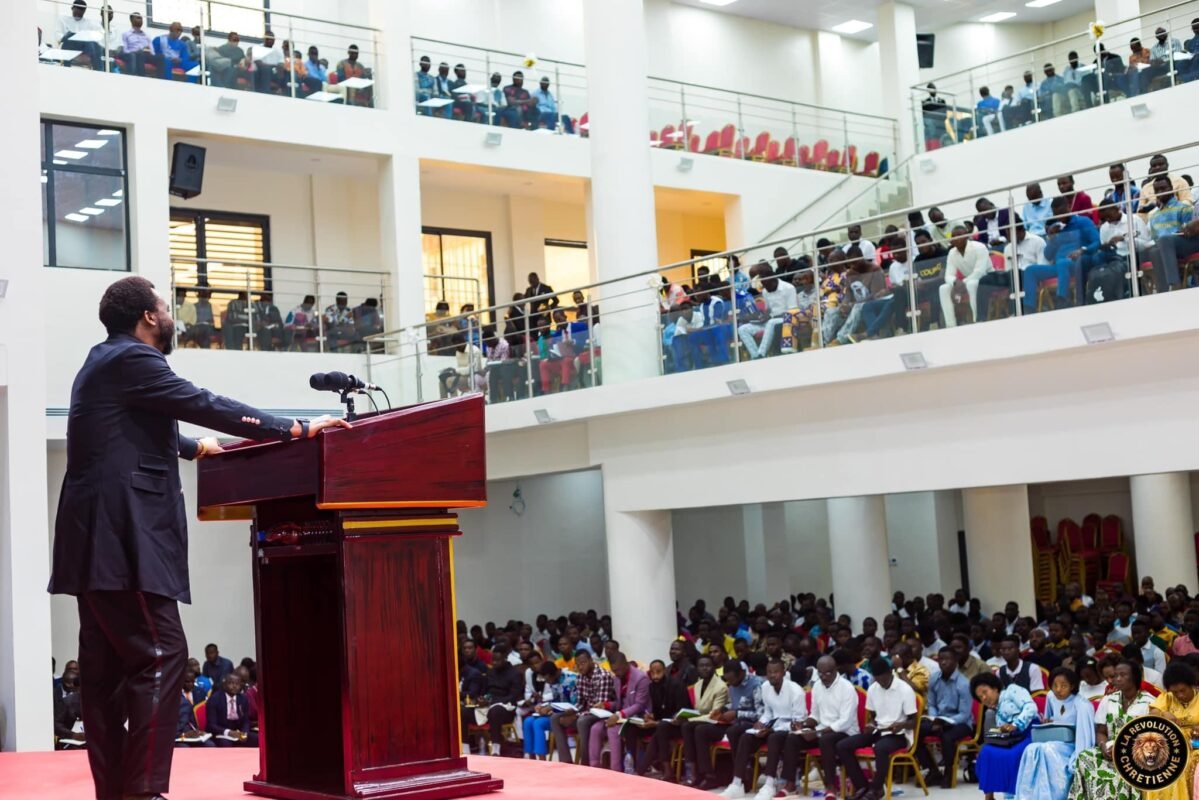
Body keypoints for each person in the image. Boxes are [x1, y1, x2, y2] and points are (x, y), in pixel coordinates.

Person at [47, 276, 349, 800]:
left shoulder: (102, 360)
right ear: (148, 316)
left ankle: (116, 792)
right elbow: (202, 401)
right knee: (162, 653)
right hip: (125, 542)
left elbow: (128, 426)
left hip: (93, 544)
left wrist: (191, 447)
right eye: (165, 307)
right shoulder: (135, 360)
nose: (171, 316)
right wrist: (295, 429)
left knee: (104, 674)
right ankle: (143, 792)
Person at [834, 657, 918, 800]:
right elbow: (873, 717)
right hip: (879, 731)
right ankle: (862, 786)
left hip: (899, 734)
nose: (880, 682)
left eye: (883, 678)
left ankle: (877, 789)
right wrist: (871, 725)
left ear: (890, 672)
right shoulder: (873, 688)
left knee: (881, 748)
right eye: (877, 679)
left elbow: (913, 721)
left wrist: (901, 725)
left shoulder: (905, 689)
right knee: (843, 745)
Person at [1068, 660, 1154, 800]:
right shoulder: (1109, 700)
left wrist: (1125, 750)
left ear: (1135, 677)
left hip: (1137, 754)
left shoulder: (1150, 702)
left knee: (1128, 771)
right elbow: (1101, 731)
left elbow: (1153, 739)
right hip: (1111, 751)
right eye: (1115, 675)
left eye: (1123, 675)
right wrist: (1103, 746)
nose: (1117, 679)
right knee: (1084, 757)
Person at [720, 660, 804, 800]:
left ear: (783, 673)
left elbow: (798, 721)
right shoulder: (765, 687)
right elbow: (768, 713)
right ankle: (737, 783)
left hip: (788, 729)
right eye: (769, 672)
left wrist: (772, 728)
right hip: (772, 727)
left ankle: (769, 785)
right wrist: (761, 723)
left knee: (773, 738)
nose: (772, 675)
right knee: (746, 737)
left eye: (776, 672)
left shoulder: (796, 691)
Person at [1014, 667, 1095, 800]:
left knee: (1046, 750)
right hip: (1052, 742)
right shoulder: (1051, 697)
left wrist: (1077, 760)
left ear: (1072, 686)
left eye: (1063, 686)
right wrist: (1047, 721)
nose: (1058, 689)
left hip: (1072, 746)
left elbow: (1084, 736)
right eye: (1054, 685)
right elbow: (1048, 719)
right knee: (1031, 749)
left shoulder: (1082, 705)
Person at [688, 658, 763, 790]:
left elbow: (760, 714)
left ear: (741, 674)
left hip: (751, 724)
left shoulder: (756, 685)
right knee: (701, 730)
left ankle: (741, 775)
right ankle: (708, 776)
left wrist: (737, 714)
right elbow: (733, 704)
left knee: (733, 731)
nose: (730, 684)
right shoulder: (732, 684)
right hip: (734, 722)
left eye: (732, 680)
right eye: (728, 681)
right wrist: (722, 710)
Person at [914, 647, 974, 789]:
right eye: (941, 659)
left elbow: (964, 714)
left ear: (955, 661)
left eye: (948, 659)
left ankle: (948, 772)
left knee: (947, 737)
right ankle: (932, 770)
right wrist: (935, 718)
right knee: (916, 731)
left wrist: (945, 723)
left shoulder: (963, 683)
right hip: (939, 719)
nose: (944, 662)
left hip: (961, 723)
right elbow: (932, 704)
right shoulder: (934, 678)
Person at [972, 671, 1038, 800]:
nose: (984, 698)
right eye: (980, 697)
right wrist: (1003, 729)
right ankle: (989, 796)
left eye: (985, 692)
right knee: (986, 751)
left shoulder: (1012, 690)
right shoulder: (995, 711)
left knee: (1014, 755)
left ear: (995, 688)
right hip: (1012, 738)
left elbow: (1031, 707)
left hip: (1030, 733)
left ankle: (1012, 796)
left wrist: (1016, 724)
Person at [1144, 662, 1199, 800]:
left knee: (1183, 764)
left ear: (1192, 685)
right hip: (1172, 744)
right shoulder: (1167, 698)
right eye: (1175, 692)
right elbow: (1153, 714)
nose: (1180, 695)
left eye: (1183, 690)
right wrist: (1162, 714)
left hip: (1195, 746)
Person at [551, 649, 614, 765]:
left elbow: (600, 707)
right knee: (555, 717)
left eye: (583, 663)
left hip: (602, 715)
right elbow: (580, 703)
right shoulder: (581, 676)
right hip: (586, 713)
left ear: (591, 661)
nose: (580, 667)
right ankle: (566, 761)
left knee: (582, 721)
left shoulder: (603, 676)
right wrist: (571, 711)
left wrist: (576, 715)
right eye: (577, 664)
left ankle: (585, 763)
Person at [632, 658, 691, 777]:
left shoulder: (677, 685)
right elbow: (658, 711)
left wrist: (656, 722)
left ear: (665, 671)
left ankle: (664, 769)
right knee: (631, 728)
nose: (655, 676)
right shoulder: (652, 687)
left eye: (658, 672)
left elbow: (682, 713)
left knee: (661, 729)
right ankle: (634, 765)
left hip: (679, 726)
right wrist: (650, 716)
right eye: (652, 673)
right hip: (662, 724)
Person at [1044, 194, 1101, 307]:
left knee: (1062, 263)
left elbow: (1097, 242)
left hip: (1077, 262)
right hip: (1058, 266)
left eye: (1062, 213)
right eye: (1056, 215)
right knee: (1030, 270)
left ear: (1069, 207)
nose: (1060, 217)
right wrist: (1052, 238)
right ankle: (1027, 309)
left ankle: (1062, 299)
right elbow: (1047, 255)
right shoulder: (1055, 229)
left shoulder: (1083, 222)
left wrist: (1082, 250)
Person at [737, 262, 797, 359]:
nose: (764, 288)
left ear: (772, 279)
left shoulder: (788, 288)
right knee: (742, 329)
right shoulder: (765, 291)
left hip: (786, 320)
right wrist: (760, 317)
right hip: (770, 321)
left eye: (766, 284)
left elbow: (793, 311)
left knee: (771, 322)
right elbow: (768, 310)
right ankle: (755, 355)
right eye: (763, 285)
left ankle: (761, 354)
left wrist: (770, 317)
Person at [523, 660, 579, 760]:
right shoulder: (553, 681)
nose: (546, 681)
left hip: (570, 715)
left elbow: (575, 704)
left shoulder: (571, 679)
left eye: (546, 678)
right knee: (528, 721)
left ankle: (542, 760)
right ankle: (531, 758)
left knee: (538, 723)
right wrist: (543, 706)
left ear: (550, 675)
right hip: (556, 713)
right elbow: (555, 700)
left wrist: (551, 707)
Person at [940, 224, 992, 327]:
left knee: (971, 284)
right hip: (968, 280)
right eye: (954, 236)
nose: (956, 238)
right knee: (943, 288)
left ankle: (976, 320)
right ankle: (950, 324)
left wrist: (961, 283)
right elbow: (948, 276)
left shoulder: (979, 247)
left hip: (987, 279)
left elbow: (979, 272)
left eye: (959, 235)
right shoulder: (951, 253)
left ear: (967, 236)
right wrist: (955, 282)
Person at [205, 673, 257, 747]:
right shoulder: (214, 699)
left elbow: (246, 721)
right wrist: (229, 732)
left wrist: (244, 733)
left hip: (238, 732)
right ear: (224, 685)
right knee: (225, 743)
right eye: (231, 683)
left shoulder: (243, 699)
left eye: (237, 684)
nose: (234, 686)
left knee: (257, 738)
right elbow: (211, 725)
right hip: (221, 733)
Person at [57, 0, 104, 69]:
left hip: (85, 47)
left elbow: (100, 33)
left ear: (84, 11)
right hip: (69, 44)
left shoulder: (89, 22)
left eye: (80, 12)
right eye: (76, 12)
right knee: (71, 34)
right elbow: (58, 36)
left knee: (95, 44)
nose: (78, 14)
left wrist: (87, 35)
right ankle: (66, 67)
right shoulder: (64, 20)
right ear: (72, 8)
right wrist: (70, 36)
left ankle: (99, 71)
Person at [176, 670, 214, 748]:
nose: (190, 684)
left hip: (190, 732)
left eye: (193, 681)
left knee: (210, 745)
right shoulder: (172, 697)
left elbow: (192, 721)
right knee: (184, 747)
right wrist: (182, 734)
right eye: (187, 682)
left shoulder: (199, 692)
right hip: (176, 734)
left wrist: (196, 731)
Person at [54, 669, 85, 749]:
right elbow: (57, 725)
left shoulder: (98, 702)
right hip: (71, 743)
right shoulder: (67, 701)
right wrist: (73, 735)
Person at [120, 13, 155, 77]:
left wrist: (149, 51)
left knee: (161, 57)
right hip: (133, 54)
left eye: (140, 18)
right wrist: (137, 51)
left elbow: (153, 52)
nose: (140, 19)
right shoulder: (126, 34)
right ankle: (138, 77)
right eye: (137, 18)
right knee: (137, 54)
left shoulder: (146, 36)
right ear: (131, 20)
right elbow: (125, 50)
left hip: (146, 55)